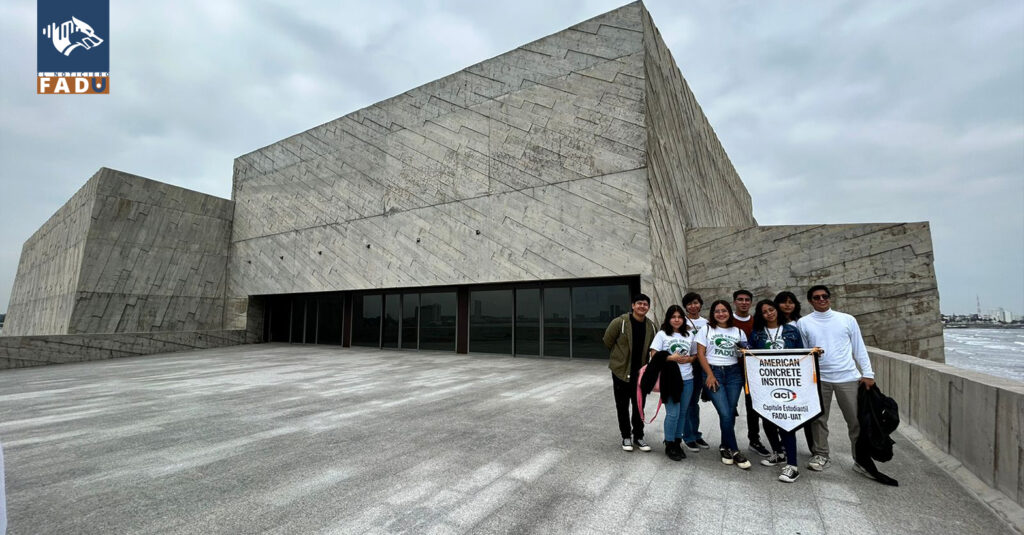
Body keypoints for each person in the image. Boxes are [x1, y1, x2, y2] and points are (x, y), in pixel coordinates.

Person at [797, 285, 876, 475]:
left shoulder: (847, 319)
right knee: (818, 420)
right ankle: (821, 455)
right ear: (810, 301)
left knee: (855, 421)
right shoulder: (803, 323)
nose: (822, 299)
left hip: (848, 377)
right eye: (817, 297)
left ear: (830, 298)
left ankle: (860, 460)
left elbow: (859, 347)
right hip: (819, 378)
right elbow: (805, 352)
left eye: (825, 296)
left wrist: (868, 373)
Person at [750, 300, 805, 483]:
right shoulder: (757, 333)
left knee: (785, 421)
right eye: (764, 312)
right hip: (766, 382)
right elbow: (751, 356)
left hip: (787, 382)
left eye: (771, 309)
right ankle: (778, 453)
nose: (769, 314)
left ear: (777, 310)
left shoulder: (791, 331)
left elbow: (801, 354)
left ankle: (793, 465)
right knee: (767, 419)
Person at [695, 300, 752, 469]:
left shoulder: (739, 331)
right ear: (713, 313)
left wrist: (744, 350)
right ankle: (735, 450)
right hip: (713, 372)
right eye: (717, 311)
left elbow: (742, 353)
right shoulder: (706, 329)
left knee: (729, 411)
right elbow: (700, 354)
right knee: (725, 412)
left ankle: (724, 446)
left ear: (729, 312)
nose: (721, 314)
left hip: (734, 374)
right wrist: (710, 375)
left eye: (724, 311)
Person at [603, 293, 658, 452]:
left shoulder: (651, 326)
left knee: (639, 406)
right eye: (639, 303)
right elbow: (607, 341)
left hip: (640, 373)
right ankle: (626, 436)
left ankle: (639, 436)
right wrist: (619, 359)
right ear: (633, 305)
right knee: (622, 405)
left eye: (645, 304)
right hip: (621, 371)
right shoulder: (619, 323)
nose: (642, 306)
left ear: (648, 307)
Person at [648, 305, 698, 461]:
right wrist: (671, 358)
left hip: (688, 379)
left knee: (683, 413)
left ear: (683, 319)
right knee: (673, 413)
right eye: (673, 316)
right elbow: (654, 355)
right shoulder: (662, 334)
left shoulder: (689, 335)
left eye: (679, 317)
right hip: (669, 380)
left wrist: (688, 359)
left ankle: (677, 442)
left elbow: (695, 355)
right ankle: (669, 443)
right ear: (668, 319)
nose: (676, 319)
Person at [774, 290, 815, 453]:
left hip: (802, 372)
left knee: (807, 411)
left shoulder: (802, 322)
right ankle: (785, 443)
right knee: (784, 410)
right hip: (781, 374)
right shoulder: (773, 324)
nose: (788, 305)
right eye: (784, 301)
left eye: (791, 301)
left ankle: (814, 447)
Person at [734, 289, 769, 457]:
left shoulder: (757, 322)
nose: (744, 302)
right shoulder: (728, 320)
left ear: (751, 302)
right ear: (735, 302)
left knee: (753, 406)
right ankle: (728, 440)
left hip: (753, 370)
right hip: (732, 369)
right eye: (740, 299)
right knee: (728, 407)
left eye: (747, 299)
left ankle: (754, 439)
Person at [681, 292, 710, 452]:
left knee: (694, 402)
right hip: (686, 364)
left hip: (700, 364)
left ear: (700, 304)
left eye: (696, 303)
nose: (693, 306)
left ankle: (696, 434)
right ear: (685, 306)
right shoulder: (681, 321)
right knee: (686, 402)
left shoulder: (706, 322)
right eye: (690, 303)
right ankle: (688, 436)